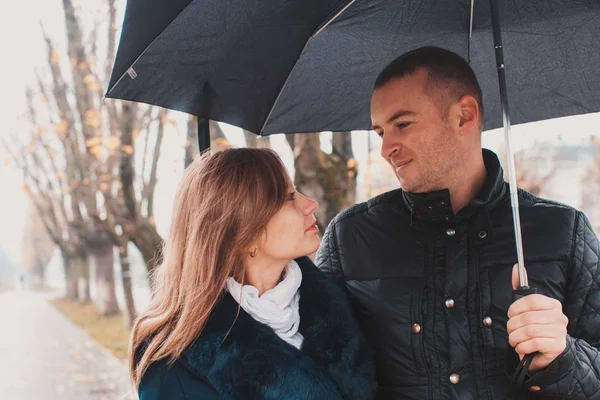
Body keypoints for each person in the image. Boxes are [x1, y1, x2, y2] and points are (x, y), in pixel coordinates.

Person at [316, 46, 600, 399]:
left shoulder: (562, 232)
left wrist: (561, 357)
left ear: (464, 116)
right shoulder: (351, 238)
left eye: (402, 124)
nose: (386, 147)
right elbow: (312, 370)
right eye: (380, 132)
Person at [130, 148, 376, 400]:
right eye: (289, 197)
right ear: (244, 234)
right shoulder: (174, 363)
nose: (309, 203)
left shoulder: (336, 307)